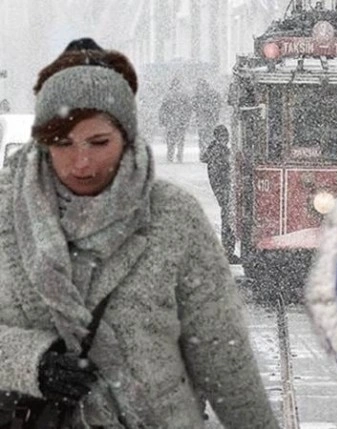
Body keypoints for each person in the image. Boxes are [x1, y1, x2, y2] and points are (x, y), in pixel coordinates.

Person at [0, 38, 278, 428]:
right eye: (62, 143)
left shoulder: (174, 217)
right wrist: (34, 362)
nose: (81, 162)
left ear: (127, 138)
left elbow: (224, 356)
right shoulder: (5, 216)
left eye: (99, 142)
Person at [201, 125, 235, 261]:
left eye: (226, 137)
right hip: (225, 190)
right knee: (228, 219)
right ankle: (228, 251)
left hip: (224, 190)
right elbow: (216, 176)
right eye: (222, 136)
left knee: (228, 219)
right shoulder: (218, 152)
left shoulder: (217, 151)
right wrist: (222, 193)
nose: (225, 139)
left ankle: (228, 250)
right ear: (217, 137)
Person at [159, 77, 192, 163]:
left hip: (171, 122)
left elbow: (163, 109)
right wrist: (186, 119)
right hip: (180, 121)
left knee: (171, 141)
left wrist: (163, 120)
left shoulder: (168, 96)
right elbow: (188, 109)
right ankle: (179, 156)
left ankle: (170, 156)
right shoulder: (184, 96)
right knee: (180, 140)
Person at [191, 79, 221, 160]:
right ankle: (209, 153)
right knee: (209, 137)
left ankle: (204, 153)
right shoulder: (213, 94)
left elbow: (193, 106)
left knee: (203, 137)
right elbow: (218, 105)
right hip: (210, 119)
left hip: (203, 119)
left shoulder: (198, 95)